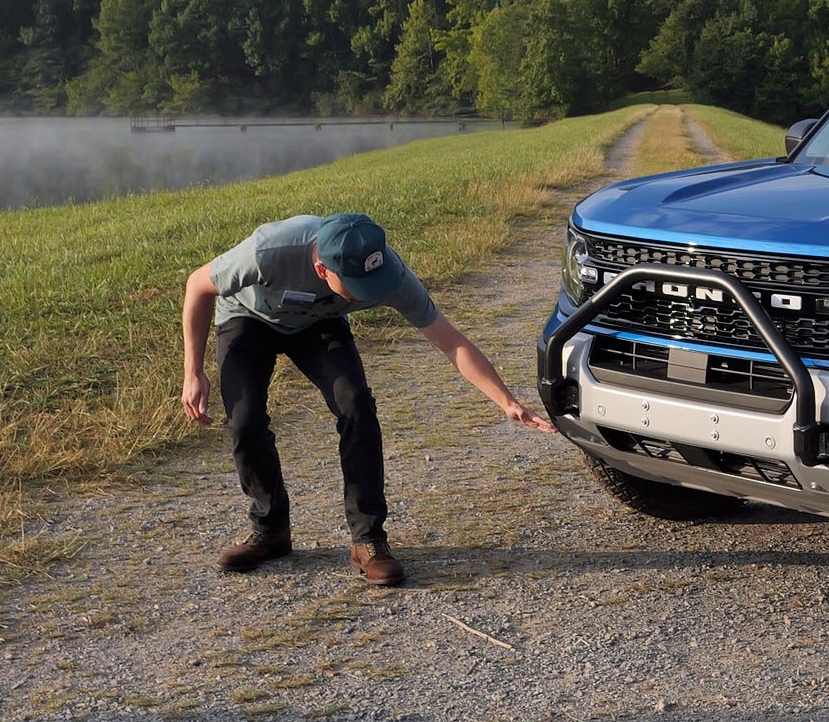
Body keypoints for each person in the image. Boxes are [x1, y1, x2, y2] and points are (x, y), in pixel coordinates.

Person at [179, 211, 553, 586]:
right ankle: (270, 530)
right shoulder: (269, 251)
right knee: (245, 421)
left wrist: (507, 401)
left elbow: (451, 342)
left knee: (355, 404)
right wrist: (193, 372)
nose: (372, 292)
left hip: (318, 323)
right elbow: (197, 284)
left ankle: (368, 540)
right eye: (359, 285)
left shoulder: (387, 273)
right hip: (248, 316)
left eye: (374, 281)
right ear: (323, 269)